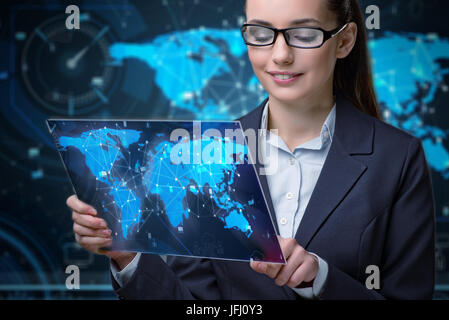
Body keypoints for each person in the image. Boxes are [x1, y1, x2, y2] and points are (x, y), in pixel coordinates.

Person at [66, 0, 435, 299]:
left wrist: (320, 280)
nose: (279, 56)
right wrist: (127, 255)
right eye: (260, 33)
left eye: (303, 34)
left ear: (344, 40)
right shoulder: (207, 153)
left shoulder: (398, 159)